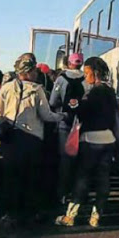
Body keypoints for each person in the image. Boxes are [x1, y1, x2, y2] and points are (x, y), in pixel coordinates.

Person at [0, 53, 66, 223]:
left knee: (11, 179)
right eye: (34, 70)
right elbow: (46, 115)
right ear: (29, 71)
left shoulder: (6, 88)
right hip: (32, 141)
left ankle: (10, 215)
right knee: (31, 179)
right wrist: (62, 116)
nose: (36, 74)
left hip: (9, 140)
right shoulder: (37, 89)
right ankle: (28, 216)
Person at [55, 56, 116, 228]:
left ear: (95, 73)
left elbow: (84, 113)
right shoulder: (110, 91)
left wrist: (76, 105)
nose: (86, 76)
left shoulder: (93, 92)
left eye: (88, 73)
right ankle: (96, 216)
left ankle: (70, 216)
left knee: (83, 178)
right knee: (103, 179)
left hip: (91, 140)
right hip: (109, 139)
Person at [49, 53, 86, 206]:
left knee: (66, 159)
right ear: (81, 64)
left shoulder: (61, 79)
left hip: (66, 122)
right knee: (82, 160)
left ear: (69, 63)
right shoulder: (88, 79)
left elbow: (52, 101)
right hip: (83, 124)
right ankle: (80, 195)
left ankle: (62, 194)